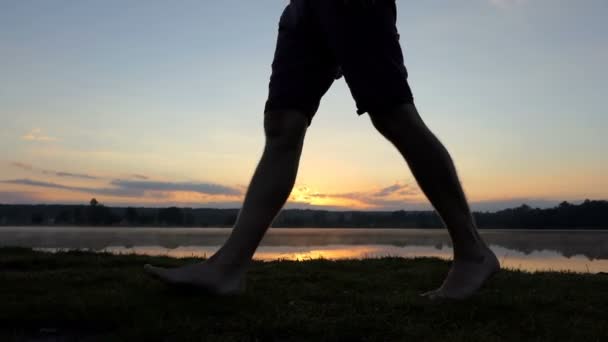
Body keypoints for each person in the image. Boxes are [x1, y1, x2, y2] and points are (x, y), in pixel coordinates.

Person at [144, 0, 500, 300]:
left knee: (392, 113)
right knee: (282, 125)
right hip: (304, 8)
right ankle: (227, 268)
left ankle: (473, 253)